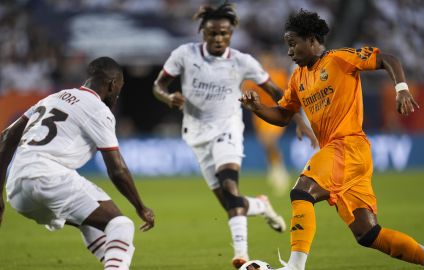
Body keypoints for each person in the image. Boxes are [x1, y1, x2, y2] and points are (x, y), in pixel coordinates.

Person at [240, 9, 424, 270]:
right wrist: (257, 108)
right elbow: (283, 115)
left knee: (301, 191)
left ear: (311, 40)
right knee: (368, 234)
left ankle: (294, 267)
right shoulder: (298, 77)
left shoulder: (340, 59)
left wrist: (401, 89)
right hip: (345, 157)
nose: (289, 51)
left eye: (292, 44)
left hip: (347, 146)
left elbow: (387, 59)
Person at [152, 4, 315, 269]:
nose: (218, 39)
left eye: (224, 34)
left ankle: (241, 258)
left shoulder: (242, 61)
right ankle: (261, 206)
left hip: (228, 130)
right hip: (196, 135)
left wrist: (298, 119)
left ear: (231, 33)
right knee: (230, 202)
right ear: (203, 32)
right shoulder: (184, 54)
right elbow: (158, 85)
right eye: (212, 33)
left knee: (230, 188)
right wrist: (168, 96)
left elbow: (277, 92)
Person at [0, 57, 155, 270]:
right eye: (119, 87)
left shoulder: (53, 98)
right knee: (121, 224)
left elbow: (7, 137)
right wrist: (140, 207)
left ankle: (115, 265)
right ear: (112, 84)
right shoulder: (98, 110)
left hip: (17, 189)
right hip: (49, 177)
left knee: (89, 224)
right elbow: (117, 170)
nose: (118, 93)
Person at [242, 52, 317, 197]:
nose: (265, 61)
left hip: (276, 112)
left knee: (270, 142)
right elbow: (245, 89)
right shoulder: (256, 77)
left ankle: (279, 173)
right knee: (266, 144)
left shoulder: (278, 75)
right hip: (260, 114)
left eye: (267, 59)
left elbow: (286, 94)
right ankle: (275, 169)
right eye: (263, 59)